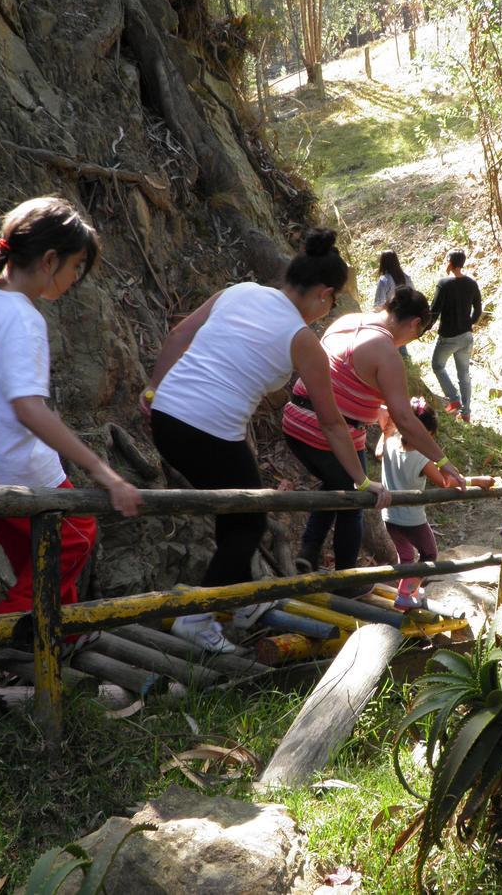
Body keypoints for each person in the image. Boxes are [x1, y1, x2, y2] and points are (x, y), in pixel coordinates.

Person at [142, 229, 390, 652]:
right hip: (208, 430)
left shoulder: (237, 292)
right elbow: (332, 423)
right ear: (324, 295)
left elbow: (178, 337)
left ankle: (239, 600)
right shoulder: (302, 339)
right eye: (330, 303)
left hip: (167, 417)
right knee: (250, 520)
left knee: (235, 515)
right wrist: (363, 483)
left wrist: (152, 390)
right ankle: (197, 618)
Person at [0, 196, 142, 621]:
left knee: (40, 558)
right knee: (76, 536)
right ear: (49, 260)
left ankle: (64, 640)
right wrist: (103, 471)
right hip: (13, 468)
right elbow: (30, 410)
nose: (76, 277)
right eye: (77, 266)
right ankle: (0, 633)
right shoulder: (24, 320)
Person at [284, 285, 467, 578]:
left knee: (336, 484)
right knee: (357, 498)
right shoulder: (385, 351)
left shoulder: (346, 321)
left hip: (295, 419)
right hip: (326, 433)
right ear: (415, 323)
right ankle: (347, 578)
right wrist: (444, 463)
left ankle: (309, 551)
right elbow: (406, 420)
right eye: (416, 335)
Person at [377, 399, 494, 610]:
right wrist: (477, 480)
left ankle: (409, 588)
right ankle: (405, 593)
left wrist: (388, 429)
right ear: (427, 434)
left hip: (389, 517)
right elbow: (446, 482)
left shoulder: (390, 443)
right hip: (412, 519)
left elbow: (378, 452)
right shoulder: (421, 458)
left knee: (405, 556)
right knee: (429, 554)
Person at [430, 248, 483, 422]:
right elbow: (478, 310)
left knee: (438, 365)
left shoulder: (444, 284)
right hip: (466, 336)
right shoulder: (471, 283)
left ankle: (454, 399)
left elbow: (434, 311)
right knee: (464, 374)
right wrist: (469, 323)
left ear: (450, 263)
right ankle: (466, 412)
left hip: (448, 336)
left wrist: (422, 329)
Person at [374, 251, 411, 358]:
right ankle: (406, 362)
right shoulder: (406, 277)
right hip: (406, 314)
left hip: (390, 316)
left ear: (383, 263)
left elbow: (378, 302)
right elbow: (413, 293)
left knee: (392, 344)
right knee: (401, 341)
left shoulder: (384, 280)